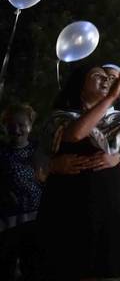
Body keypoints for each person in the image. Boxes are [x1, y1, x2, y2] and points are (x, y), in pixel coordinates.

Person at [37, 63, 120, 281]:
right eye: (97, 76)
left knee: (104, 270)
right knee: (68, 268)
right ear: (80, 86)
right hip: (69, 204)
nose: (105, 80)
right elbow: (77, 134)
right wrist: (109, 99)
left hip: (107, 203)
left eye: (108, 77)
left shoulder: (115, 119)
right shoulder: (62, 115)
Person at [0, 103, 41, 281]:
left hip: (36, 218)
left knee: (32, 267)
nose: (16, 130)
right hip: (8, 221)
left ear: (30, 126)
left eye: (21, 125)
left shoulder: (39, 149)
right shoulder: (2, 153)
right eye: (11, 125)